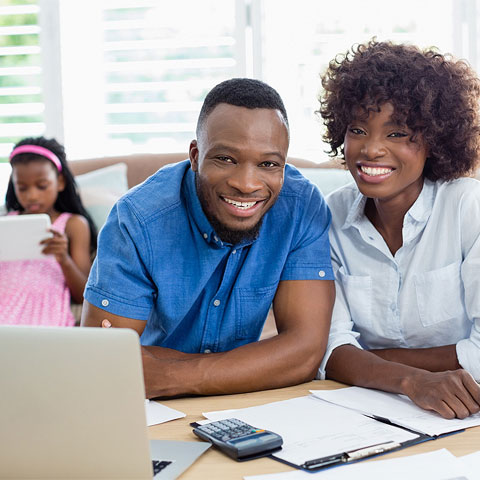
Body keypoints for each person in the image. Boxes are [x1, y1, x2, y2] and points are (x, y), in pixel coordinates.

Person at [81, 77, 335, 398]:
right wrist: (257, 365)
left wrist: (174, 375)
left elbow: (305, 353)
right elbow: (103, 364)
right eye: (226, 159)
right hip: (148, 407)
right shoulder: (138, 219)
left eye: (268, 164)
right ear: (195, 155)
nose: (246, 183)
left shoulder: (301, 207)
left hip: (231, 399)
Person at [318, 39, 480, 419]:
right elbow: (328, 350)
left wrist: (368, 364)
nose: (371, 149)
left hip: (460, 413)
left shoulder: (468, 207)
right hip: (358, 412)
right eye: (358, 129)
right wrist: (410, 381)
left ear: (433, 141)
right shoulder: (331, 217)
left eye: (396, 134)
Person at [1, 136, 97, 326]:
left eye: (42, 186)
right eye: (22, 188)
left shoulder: (73, 225)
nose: (32, 195)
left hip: (45, 315)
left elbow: (85, 296)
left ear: (60, 182)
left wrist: (63, 259)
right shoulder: (5, 222)